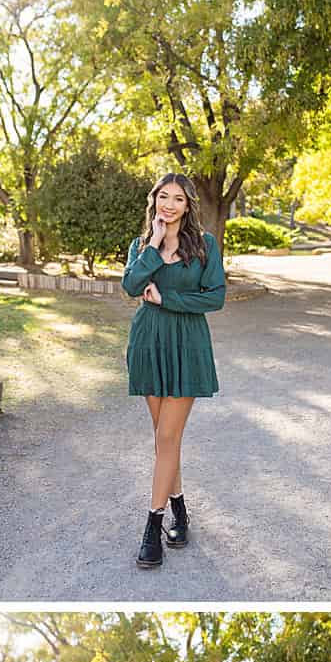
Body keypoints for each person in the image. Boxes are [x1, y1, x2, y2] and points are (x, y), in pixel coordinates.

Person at [119, 172, 227, 570]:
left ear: (188, 205)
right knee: (166, 439)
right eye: (163, 197)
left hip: (187, 344)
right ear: (155, 201)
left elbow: (214, 296)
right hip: (148, 342)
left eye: (177, 199)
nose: (169, 205)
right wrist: (153, 246)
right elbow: (130, 286)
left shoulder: (205, 246)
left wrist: (167, 298)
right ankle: (180, 511)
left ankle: (153, 527)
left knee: (167, 435)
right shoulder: (140, 245)